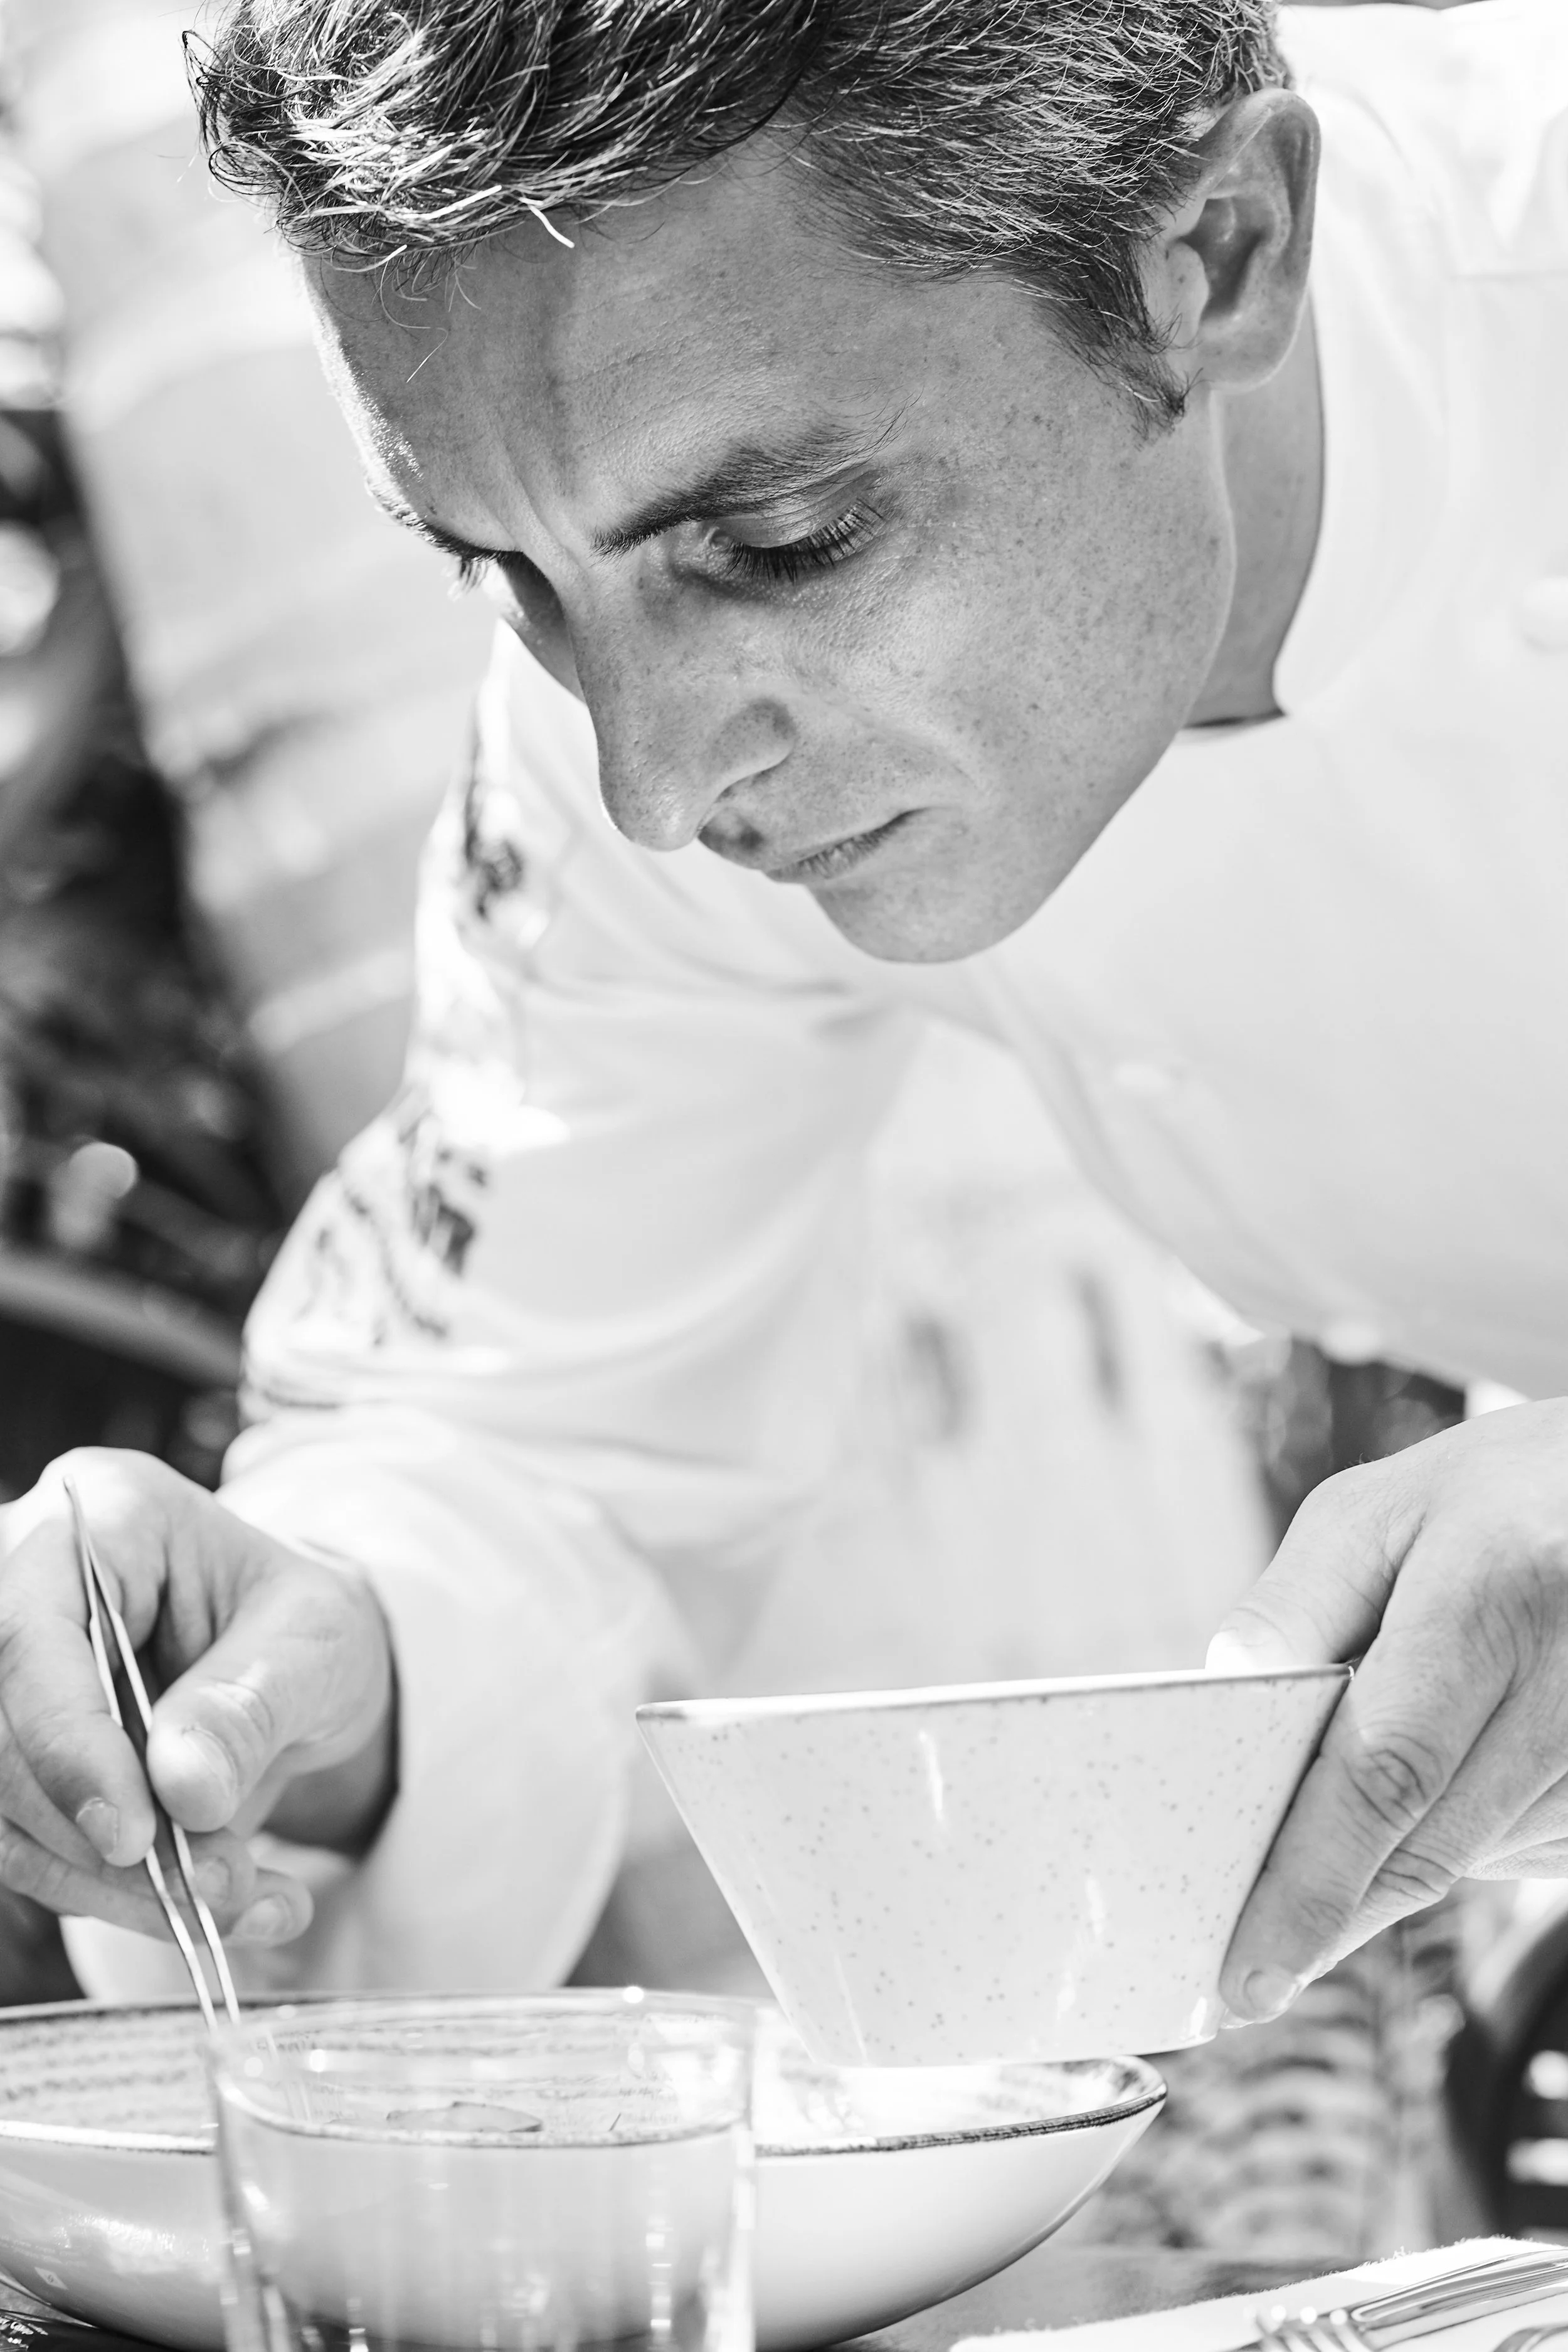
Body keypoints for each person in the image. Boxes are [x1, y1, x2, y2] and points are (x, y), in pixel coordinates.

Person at [1, 0, 1565, 2024]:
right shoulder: (633, 658)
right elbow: (531, 1417)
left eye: (784, 544)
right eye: (508, 579)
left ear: (1218, 255)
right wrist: (315, 1659)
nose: (651, 778)